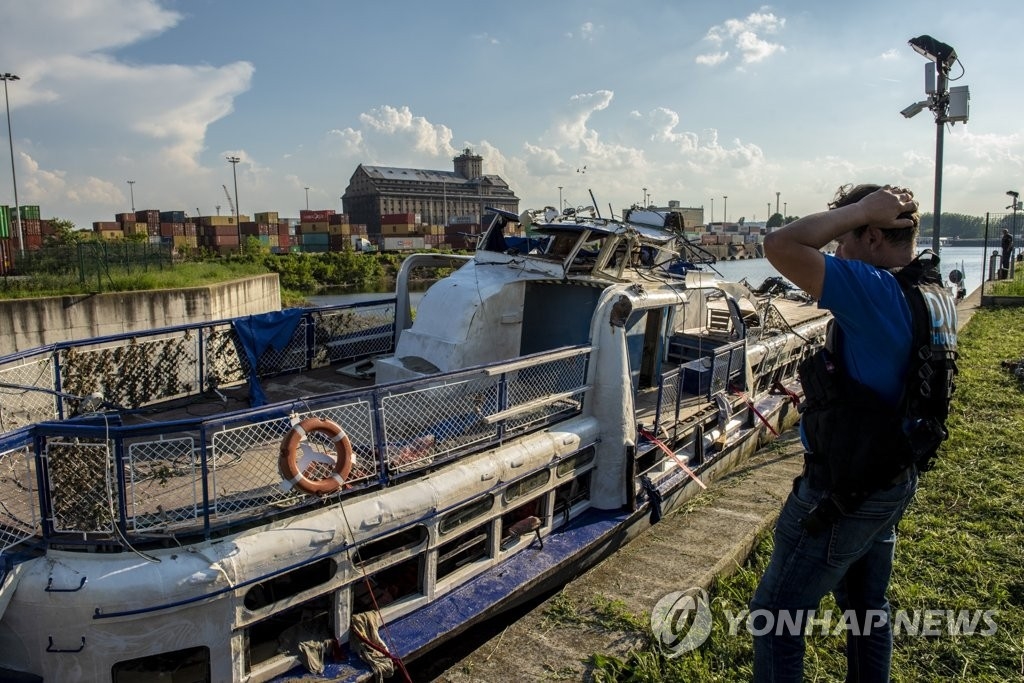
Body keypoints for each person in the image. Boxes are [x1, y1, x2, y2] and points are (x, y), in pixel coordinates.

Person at [750, 184, 958, 681]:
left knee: (776, 616)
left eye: (843, 235)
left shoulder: (874, 291)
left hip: (843, 489)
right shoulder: (931, 290)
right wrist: (859, 213)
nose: (835, 249)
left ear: (869, 235)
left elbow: (779, 245)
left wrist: (857, 209)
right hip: (891, 476)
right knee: (867, 609)